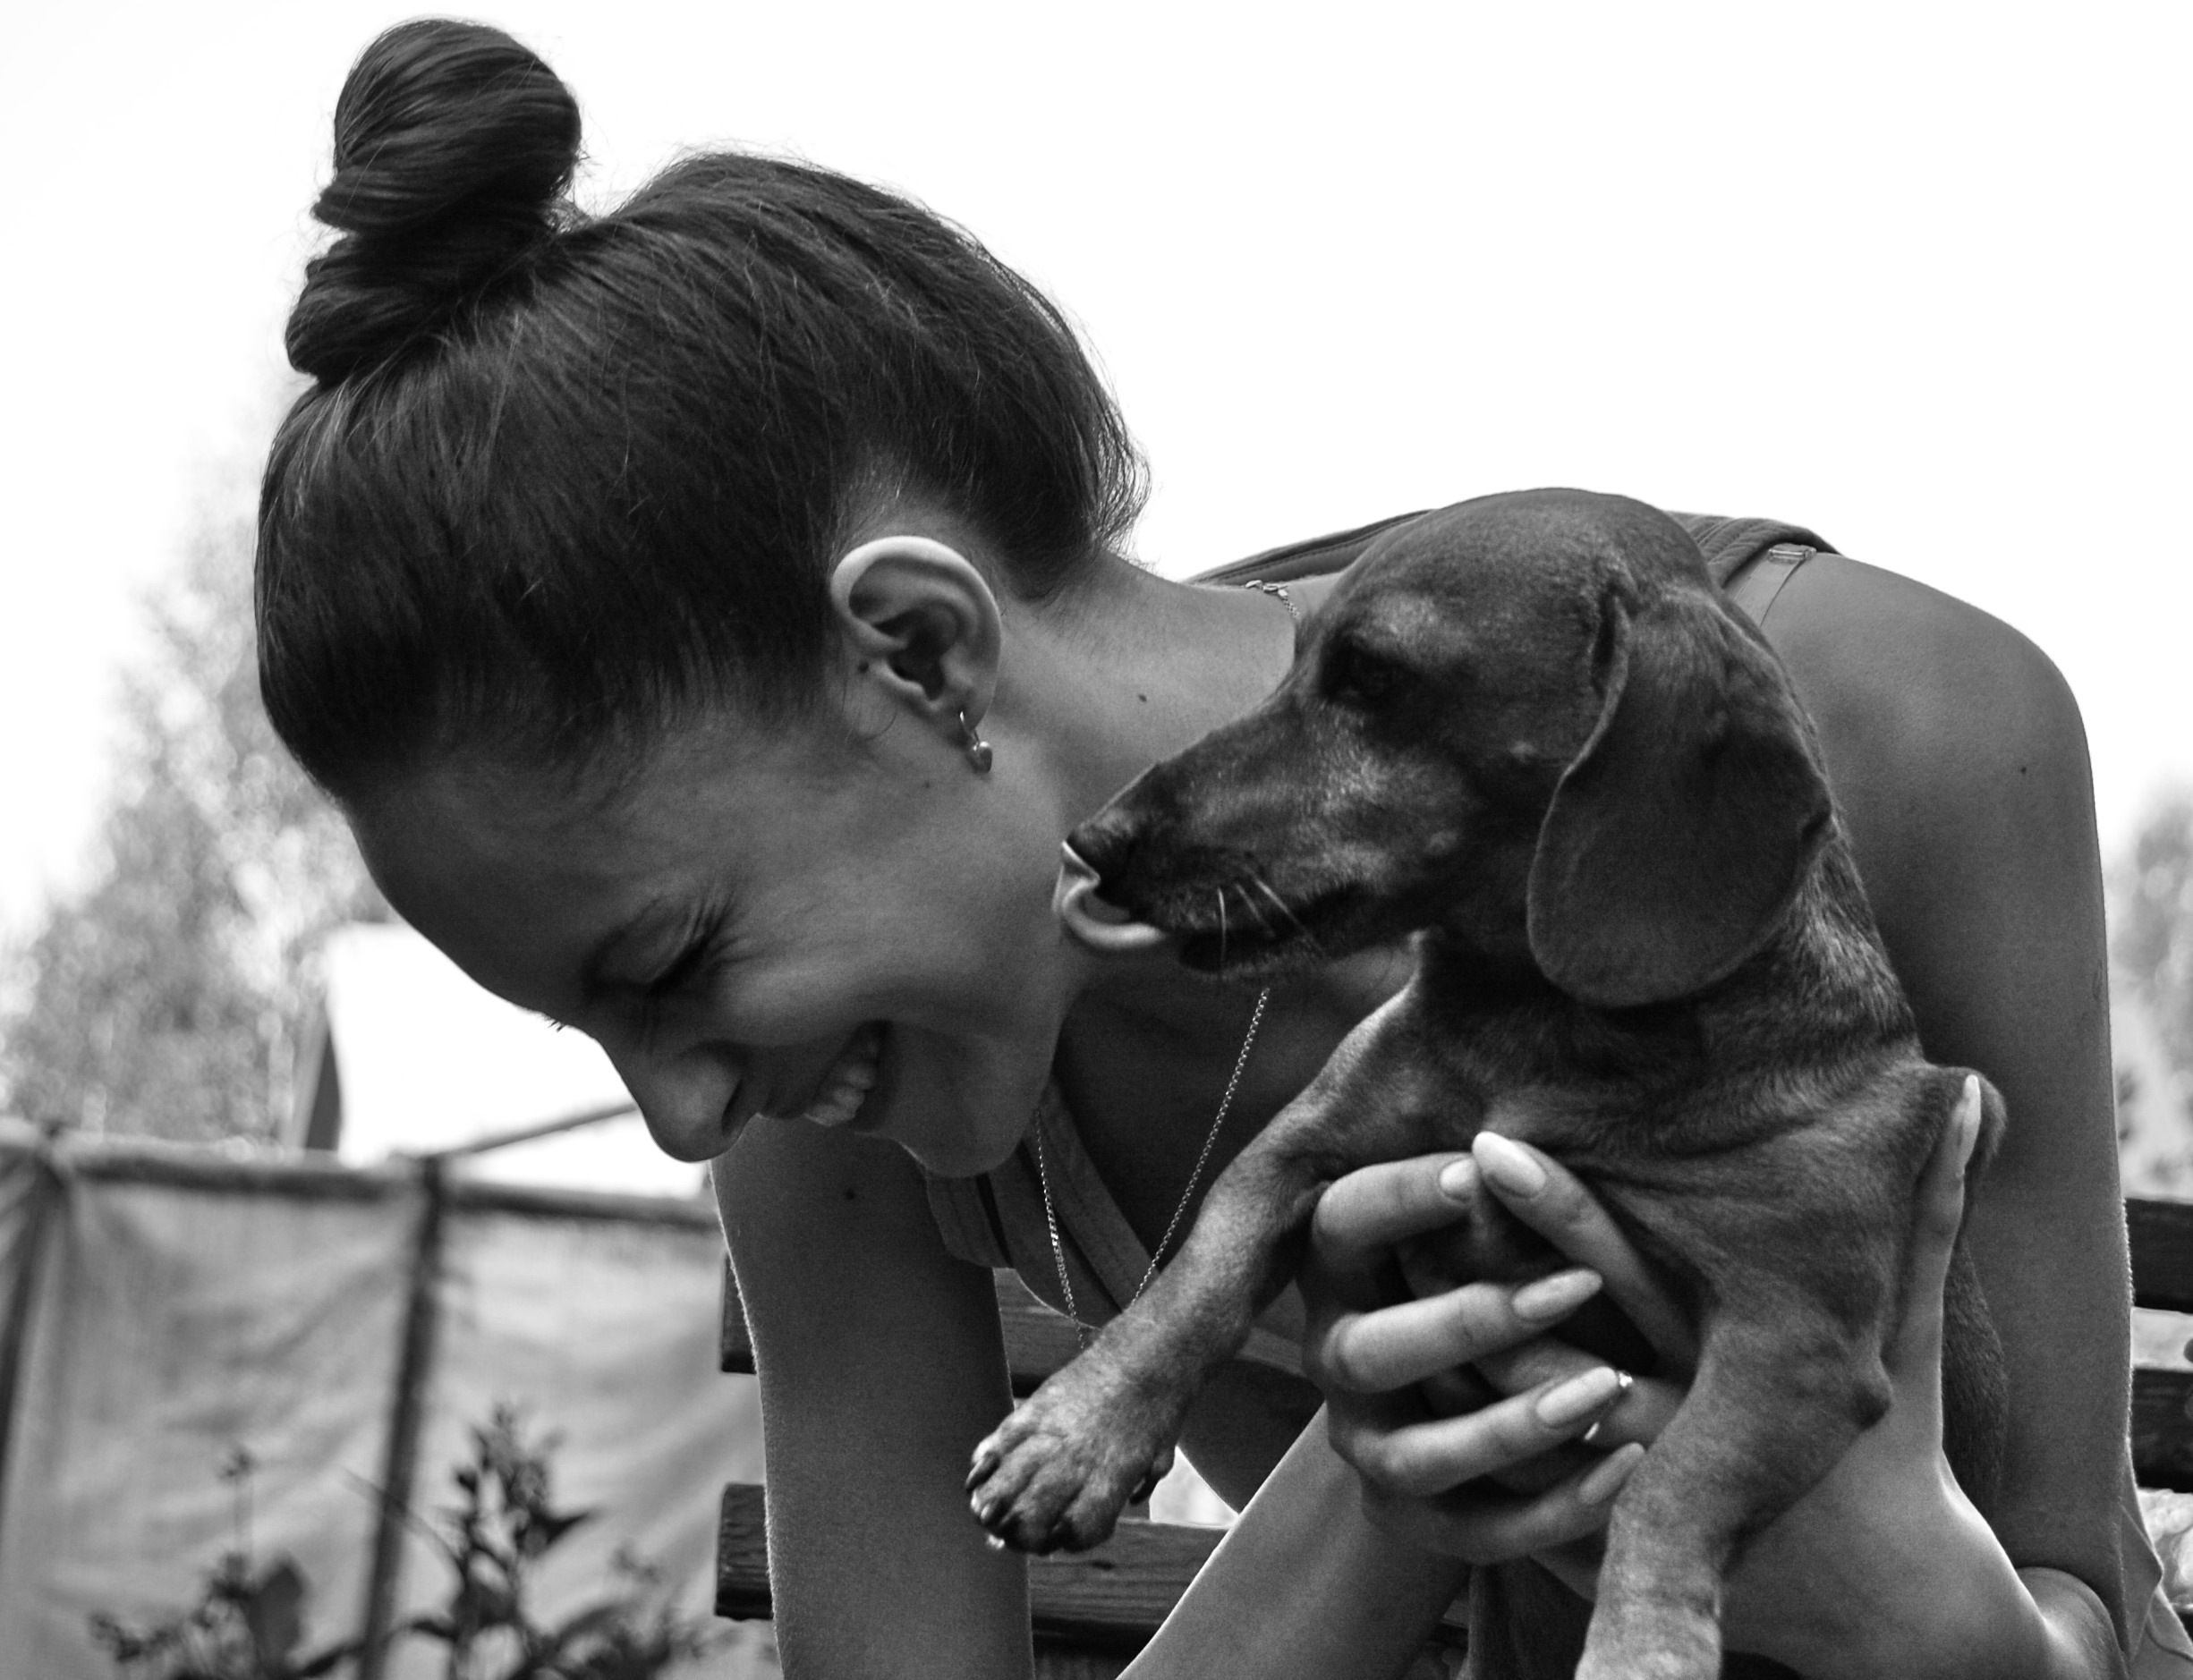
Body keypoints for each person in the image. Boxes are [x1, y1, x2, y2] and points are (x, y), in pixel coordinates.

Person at [255, 19, 2183, 1679]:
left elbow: (2084, 1608)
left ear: (919, 651)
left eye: (672, 969)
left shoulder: (1875, 728)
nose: (683, 1119)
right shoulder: (832, 1103)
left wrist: (1921, 1614)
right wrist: (1382, 1490)